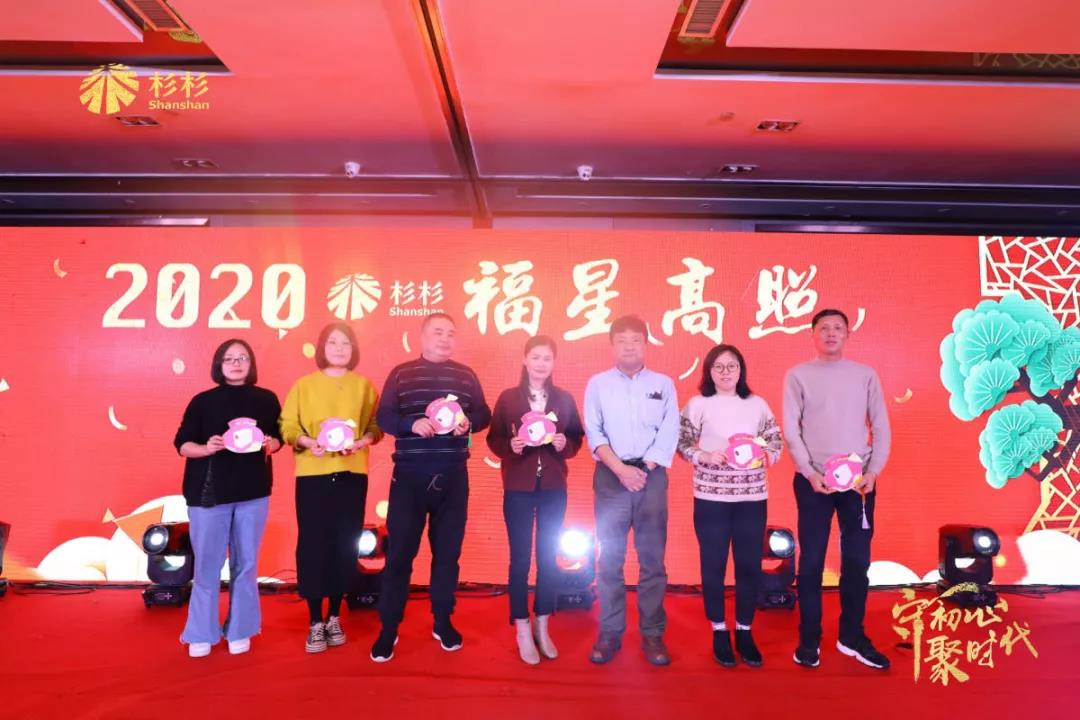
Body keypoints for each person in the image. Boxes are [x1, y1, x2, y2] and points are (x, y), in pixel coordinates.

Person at [370, 312, 491, 662]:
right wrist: (411, 423)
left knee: (448, 556)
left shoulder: (466, 375)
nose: (445, 339)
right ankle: (389, 628)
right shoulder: (402, 374)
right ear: (422, 337)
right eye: (438, 332)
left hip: (453, 478)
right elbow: (384, 416)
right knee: (399, 556)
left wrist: (469, 422)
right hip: (409, 479)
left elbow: (484, 414)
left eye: (450, 333)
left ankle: (442, 620)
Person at [783, 308, 892, 670]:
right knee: (811, 562)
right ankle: (809, 639)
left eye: (838, 328)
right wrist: (809, 471)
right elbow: (791, 428)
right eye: (824, 328)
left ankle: (852, 636)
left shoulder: (865, 375)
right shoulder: (798, 375)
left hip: (858, 484)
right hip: (813, 482)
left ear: (847, 334)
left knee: (858, 562)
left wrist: (874, 471)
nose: (831, 333)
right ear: (813, 334)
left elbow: (880, 424)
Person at [174, 338, 283, 658]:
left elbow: (278, 439)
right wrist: (207, 448)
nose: (236, 363)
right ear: (219, 364)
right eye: (229, 358)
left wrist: (271, 443)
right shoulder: (202, 401)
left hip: (253, 493)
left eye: (243, 358)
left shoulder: (266, 399)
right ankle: (201, 632)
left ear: (251, 364)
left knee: (246, 564)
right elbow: (182, 445)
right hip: (209, 495)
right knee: (207, 566)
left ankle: (240, 629)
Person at [280, 322, 382, 653]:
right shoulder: (304, 385)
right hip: (313, 475)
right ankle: (314, 620)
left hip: (352, 473)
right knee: (313, 544)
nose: (339, 348)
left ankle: (334, 615)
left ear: (354, 349)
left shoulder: (364, 386)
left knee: (345, 545)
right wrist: (309, 442)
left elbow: (376, 426)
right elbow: (287, 426)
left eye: (346, 343)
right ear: (322, 347)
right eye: (333, 342)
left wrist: (364, 441)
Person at [583, 315, 679, 666]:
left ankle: (652, 633)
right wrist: (622, 470)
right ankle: (610, 632)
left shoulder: (663, 384)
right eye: (622, 340)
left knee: (652, 559)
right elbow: (594, 432)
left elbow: (670, 430)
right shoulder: (597, 384)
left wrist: (644, 468)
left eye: (636, 340)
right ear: (612, 345)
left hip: (651, 477)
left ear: (645, 344)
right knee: (609, 559)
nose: (629, 346)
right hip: (612, 476)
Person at [678, 344, 782, 668]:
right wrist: (704, 455)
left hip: (751, 497)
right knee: (713, 564)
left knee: (749, 565)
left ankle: (745, 630)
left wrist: (766, 455)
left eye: (732, 366)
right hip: (711, 497)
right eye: (719, 366)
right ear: (709, 371)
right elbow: (681, 442)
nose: (725, 372)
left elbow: (775, 440)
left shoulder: (757, 404)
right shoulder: (698, 404)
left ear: (741, 370)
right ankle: (719, 630)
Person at [486, 335, 585, 665]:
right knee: (520, 560)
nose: (541, 363)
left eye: (547, 358)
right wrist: (509, 447)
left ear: (554, 363)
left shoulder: (564, 399)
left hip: (554, 488)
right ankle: (522, 628)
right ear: (525, 360)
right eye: (536, 357)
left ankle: (543, 624)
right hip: (518, 487)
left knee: (547, 558)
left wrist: (564, 444)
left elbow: (577, 437)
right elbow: (494, 438)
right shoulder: (508, 398)